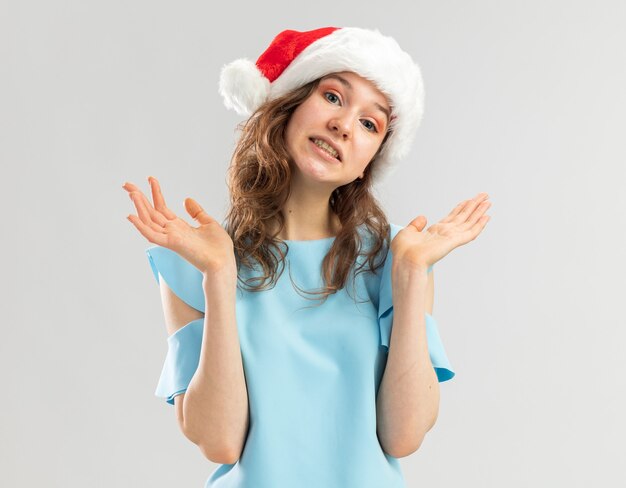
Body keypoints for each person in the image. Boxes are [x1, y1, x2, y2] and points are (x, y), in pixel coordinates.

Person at [123, 26, 491, 488]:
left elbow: (403, 436)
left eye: (369, 123)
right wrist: (219, 275)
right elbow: (219, 442)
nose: (343, 124)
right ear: (289, 103)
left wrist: (412, 275)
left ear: (369, 162)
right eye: (334, 97)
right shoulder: (196, 260)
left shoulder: (398, 259)